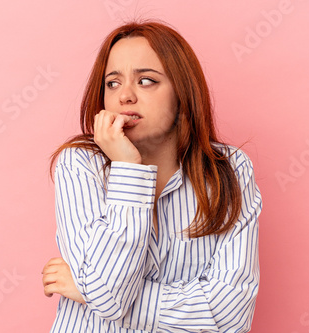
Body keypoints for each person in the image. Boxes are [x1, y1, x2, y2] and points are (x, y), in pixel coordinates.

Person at [41, 20, 262, 333]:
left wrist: (86, 289)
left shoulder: (231, 170)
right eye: (113, 83)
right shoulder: (79, 164)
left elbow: (231, 316)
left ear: (182, 94)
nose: (125, 96)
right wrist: (129, 168)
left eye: (146, 81)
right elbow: (108, 296)